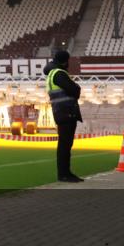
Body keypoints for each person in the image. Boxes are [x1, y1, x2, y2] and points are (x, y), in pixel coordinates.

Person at [43, 50, 84, 183]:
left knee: (64, 144)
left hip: (60, 112)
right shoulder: (59, 74)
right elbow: (75, 90)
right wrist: (76, 86)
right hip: (67, 111)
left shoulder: (51, 74)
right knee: (65, 145)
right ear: (66, 61)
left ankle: (64, 173)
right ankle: (64, 174)